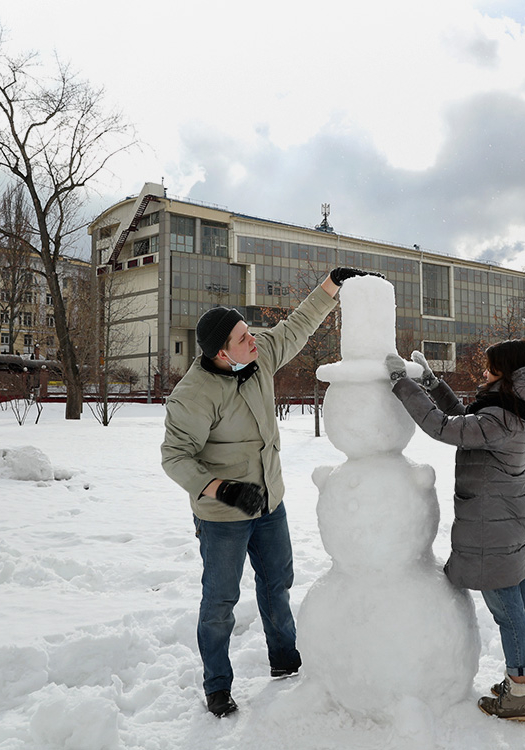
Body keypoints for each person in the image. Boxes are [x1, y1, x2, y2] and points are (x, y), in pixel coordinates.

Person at [162, 266, 379, 718]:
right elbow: (175, 457)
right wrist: (222, 490)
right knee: (220, 601)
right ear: (221, 353)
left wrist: (330, 286)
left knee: (277, 585)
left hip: (269, 504)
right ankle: (217, 685)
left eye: (249, 332)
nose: (253, 340)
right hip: (223, 516)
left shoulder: (257, 360)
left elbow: (296, 326)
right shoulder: (193, 395)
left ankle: (285, 661)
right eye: (243, 338)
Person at [385, 340, 525, 722]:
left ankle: (519, 691)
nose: (483, 374)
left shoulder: (503, 417)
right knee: (521, 596)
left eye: (490, 369)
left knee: (506, 608)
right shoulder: (513, 407)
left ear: (505, 373)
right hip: (502, 516)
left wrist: (401, 384)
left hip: (490, 523)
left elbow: (446, 428)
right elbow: (465, 419)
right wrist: (432, 384)